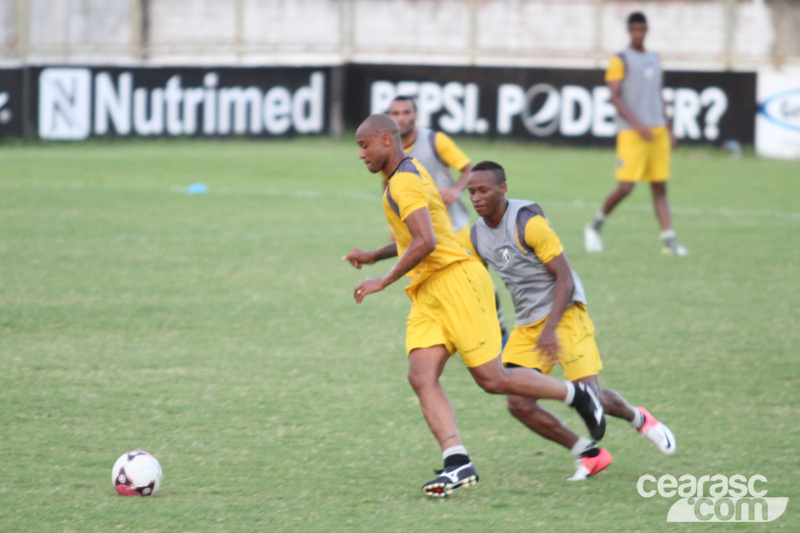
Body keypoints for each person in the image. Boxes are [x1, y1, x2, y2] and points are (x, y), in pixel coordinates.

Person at [344, 114, 606, 497]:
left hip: (456, 283)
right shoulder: (406, 171)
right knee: (420, 376)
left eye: (363, 145)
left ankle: (577, 394)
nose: (360, 154)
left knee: (492, 379)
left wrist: (382, 280)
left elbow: (426, 241)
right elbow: (424, 235)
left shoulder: (404, 181)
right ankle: (457, 462)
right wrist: (374, 254)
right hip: (428, 291)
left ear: (386, 140)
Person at [466, 160, 676, 481]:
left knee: (590, 397)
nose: (477, 197)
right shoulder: (477, 236)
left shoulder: (527, 222)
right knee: (518, 403)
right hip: (527, 323)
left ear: (502, 189)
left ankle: (640, 419)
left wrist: (550, 330)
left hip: (564, 313)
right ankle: (588, 453)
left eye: (483, 190)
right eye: (471, 192)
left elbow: (563, 276)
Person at [388, 95, 509, 339]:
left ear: (416, 115)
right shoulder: (390, 152)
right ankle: (456, 336)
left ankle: (499, 329)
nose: (402, 118)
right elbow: (390, 190)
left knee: (477, 283)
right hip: (423, 234)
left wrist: (455, 190)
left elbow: (468, 168)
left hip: (455, 229)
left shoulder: (435, 141)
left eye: (406, 112)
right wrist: (394, 228)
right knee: (437, 288)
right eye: (396, 113)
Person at [584, 11, 688, 256]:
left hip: (658, 132)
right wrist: (637, 124)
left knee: (660, 187)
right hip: (632, 133)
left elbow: (658, 95)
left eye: (641, 29)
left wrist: (669, 128)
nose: (638, 34)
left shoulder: (653, 58)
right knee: (626, 186)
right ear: (629, 31)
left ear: (646, 30)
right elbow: (614, 96)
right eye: (634, 30)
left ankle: (669, 240)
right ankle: (595, 226)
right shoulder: (620, 59)